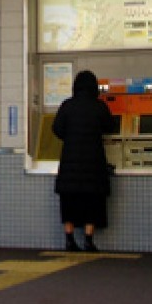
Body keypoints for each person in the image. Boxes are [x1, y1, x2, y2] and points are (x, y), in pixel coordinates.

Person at [52, 69, 114, 252]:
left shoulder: (67, 106)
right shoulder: (99, 106)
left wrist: (70, 137)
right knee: (92, 201)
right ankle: (88, 239)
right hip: (93, 162)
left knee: (69, 201)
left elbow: (56, 129)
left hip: (70, 161)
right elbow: (110, 127)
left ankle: (69, 239)